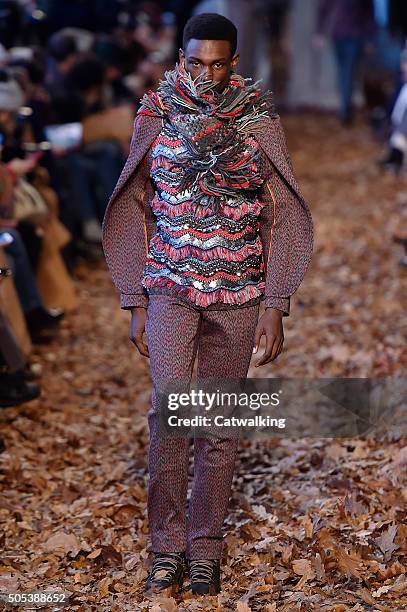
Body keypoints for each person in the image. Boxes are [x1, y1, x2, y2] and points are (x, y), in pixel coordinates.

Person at [102, 13, 314, 598]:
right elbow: (133, 203)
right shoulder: (156, 114)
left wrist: (276, 301)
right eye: (196, 62)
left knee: (218, 424)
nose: (206, 73)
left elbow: (281, 207)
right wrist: (134, 297)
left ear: (233, 63)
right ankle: (165, 549)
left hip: (241, 288)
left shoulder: (258, 120)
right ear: (180, 60)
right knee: (170, 417)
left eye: (218, 63)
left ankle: (205, 549)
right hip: (169, 283)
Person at [314, 0, 376, 124]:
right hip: (338, 36)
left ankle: (345, 109)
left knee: (347, 72)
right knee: (344, 73)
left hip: (354, 37)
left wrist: (370, 39)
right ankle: (345, 106)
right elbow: (323, 8)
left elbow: (369, 15)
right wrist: (319, 32)